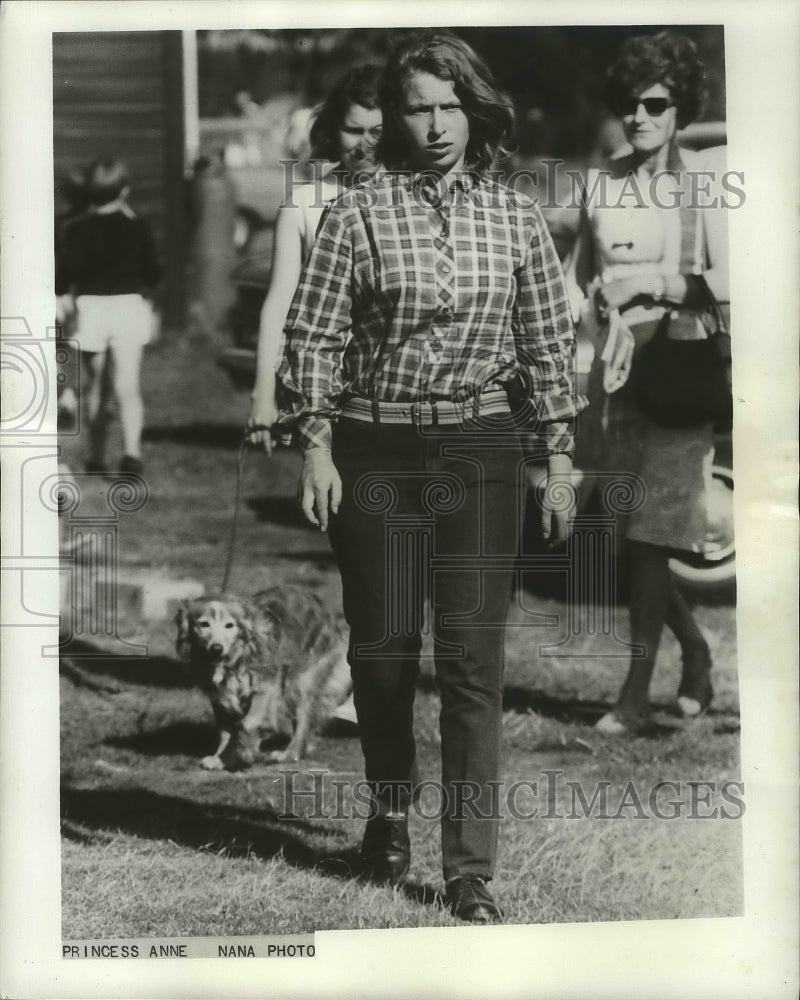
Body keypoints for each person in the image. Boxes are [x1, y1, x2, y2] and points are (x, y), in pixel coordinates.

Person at [277, 30, 585, 923]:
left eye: (452, 105)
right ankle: (386, 811)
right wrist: (316, 445)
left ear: (475, 110)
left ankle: (468, 870)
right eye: (420, 107)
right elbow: (315, 336)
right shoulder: (358, 211)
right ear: (397, 117)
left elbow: (543, 348)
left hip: (480, 451)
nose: (438, 123)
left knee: (471, 663)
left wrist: (557, 461)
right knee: (382, 655)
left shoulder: (517, 215)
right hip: (373, 451)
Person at [564, 30, 730, 734]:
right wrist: (579, 354)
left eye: (655, 102)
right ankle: (695, 652)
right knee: (634, 540)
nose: (639, 115)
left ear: (680, 107)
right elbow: (575, 284)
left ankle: (634, 695)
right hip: (616, 378)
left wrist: (658, 280)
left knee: (649, 541)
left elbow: (735, 285)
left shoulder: (709, 185)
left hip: (681, 375)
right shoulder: (601, 186)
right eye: (629, 102)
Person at [247, 65, 383, 453]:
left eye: (377, 132)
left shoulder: (416, 197)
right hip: (325, 387)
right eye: (353, 131)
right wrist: (263, 392)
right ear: (332, 130)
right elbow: (278, 306)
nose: (364, 146)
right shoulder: (303, 204)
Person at [55, 157, 161, 476]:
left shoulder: (76, 229)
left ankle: (98, 457)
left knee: (96, 386)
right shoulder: (136, 225)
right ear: (124, 191)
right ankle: (132, 453)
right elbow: (153, 273)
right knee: (127, 384)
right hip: (128, 306)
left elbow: (66, 272)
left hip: (92, 308)